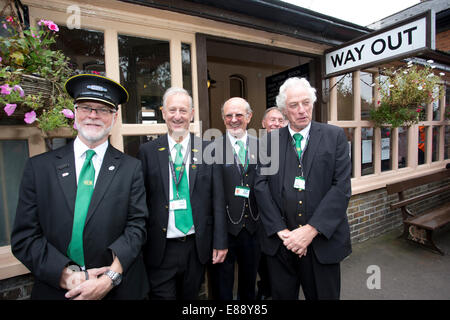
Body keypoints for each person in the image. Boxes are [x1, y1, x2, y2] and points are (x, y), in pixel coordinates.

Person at [11, 74, 149, 300]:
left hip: (119, 290)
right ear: (75, 112)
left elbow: (137, 227)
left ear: (114, 117)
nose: (93, 115)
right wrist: (68, 277)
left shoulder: (131, 168)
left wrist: (108, 279)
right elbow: (25, 237)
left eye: (103, 109)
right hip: (57, 290)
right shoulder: (39, 168)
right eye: (86, 107)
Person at [254, 77, 352, 300]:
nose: (301, 110)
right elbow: (261, 187)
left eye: (306, 103)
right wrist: (283, 232)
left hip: (321, 245)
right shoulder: (269, 142)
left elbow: (341, 188)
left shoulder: (334, 136)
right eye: (294, 105)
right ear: (284, 110)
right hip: (281, 245)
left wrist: (310, 231)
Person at [137, 87, 228, 300]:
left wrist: (220, 241)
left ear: (192, 114)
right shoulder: (148, 151)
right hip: (161, 248)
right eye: (172, 110)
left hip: (196, 246)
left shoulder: (209, 149)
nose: (178, 116)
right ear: (163, 113)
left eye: (183, 111)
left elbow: (218, 199)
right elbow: (141, 201)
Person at [209, 97, 260, 300]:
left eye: (239, 114)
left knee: (249, 285)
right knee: (222, 287)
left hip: (254, 230)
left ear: (249, 117)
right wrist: (218, 237)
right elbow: (212, 196)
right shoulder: (211, 149)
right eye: (229, 115)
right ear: (223, 119)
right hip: (225, 231)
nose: (234, 119)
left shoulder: (263, 147)